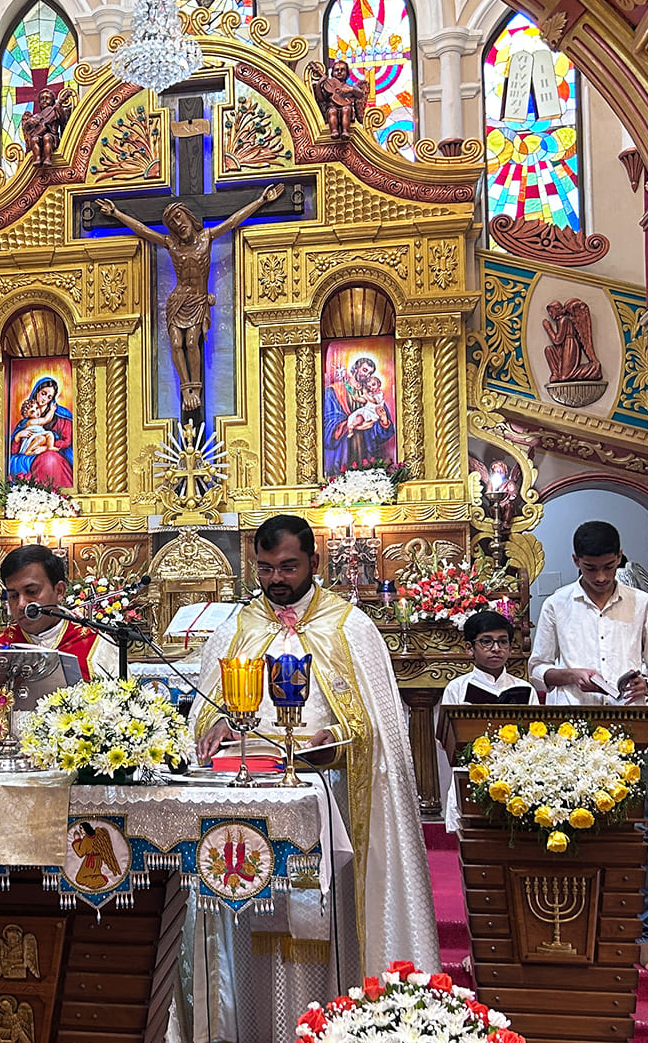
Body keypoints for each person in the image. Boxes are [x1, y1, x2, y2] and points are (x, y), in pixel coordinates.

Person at [194, 514, 438, 990]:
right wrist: (217, 722)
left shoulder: (349, 627)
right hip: (253, 799)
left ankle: (341, 1005)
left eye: (288, 567)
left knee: (330, 920)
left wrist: (341, 737)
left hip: (332, 797)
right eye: (265, 568)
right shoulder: (237, 627)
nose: (276, 580)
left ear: (315, 562)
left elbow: (379, 726)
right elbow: (205, 710)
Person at [529, 519, 648, 973]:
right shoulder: (557, 605)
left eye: (609, 567)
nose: (600, 576)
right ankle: (577, 930)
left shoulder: (642, 604)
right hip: (570, 735)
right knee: (570, 830)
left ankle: (641, 935)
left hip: (629, 731)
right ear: (576, 560)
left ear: (619, 559)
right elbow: (537, 668)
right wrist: (571, 675)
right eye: (591, 568)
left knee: (635, 833)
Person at [96, 186, 282, 414]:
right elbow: (143, 230)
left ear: (188, 216)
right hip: (177, 302)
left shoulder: (206, 237)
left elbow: (233, 221)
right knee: (176, 344)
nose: (178, 224)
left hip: (197, 300)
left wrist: (261, 200)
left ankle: (197, 390)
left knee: (192, 342)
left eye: (179, 217)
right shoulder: (172, 245)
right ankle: (186, 391)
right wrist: (116, 213)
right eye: (172, 223)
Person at [435, 610, 533, 834]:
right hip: (471, 773)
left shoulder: (524, 689)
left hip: (515, 774)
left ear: (510, 647)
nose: (496, 648)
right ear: (469, 648)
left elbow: (536, 735)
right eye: (486, 642)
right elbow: (443, 740)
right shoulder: (457, 688)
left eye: (503, 642)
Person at [0, 544, 118, 680]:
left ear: (59, 591)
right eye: (13, 596)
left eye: (31, 591)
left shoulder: (98, 648)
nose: (21, 604)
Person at [323, 356, 396, 474]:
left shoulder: (372, 394)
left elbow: (383, 425)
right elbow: (328, 424)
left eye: (370, 373)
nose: (366, 375)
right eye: (365, 370)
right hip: (344, 450)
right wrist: (352, 425)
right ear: (356, 368)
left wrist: (384, 422)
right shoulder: (334, 391)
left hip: (366, 450)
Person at [8, 377, 74, 489]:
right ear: (36, 391)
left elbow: (67, 441)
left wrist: (45, 448)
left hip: (54, 453)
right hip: (29, 454)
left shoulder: (62, 416)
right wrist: (18, 436)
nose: (44, 399)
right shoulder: (27, 420)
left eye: (49, 397)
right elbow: (13, 450)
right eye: (43, 394)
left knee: (50, 459)